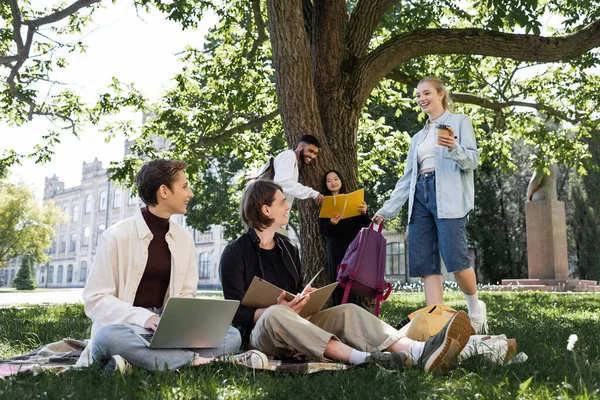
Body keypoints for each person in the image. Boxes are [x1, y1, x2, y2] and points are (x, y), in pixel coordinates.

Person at [220, 180, 473, 372]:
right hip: (260, 335)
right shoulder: (235, 253)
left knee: (347, 310)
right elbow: (233, 313)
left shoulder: (288, 248)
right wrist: (272, 309)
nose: (288, 205)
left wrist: (302, 298)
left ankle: (416, 350)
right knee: (276, 313)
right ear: (266, 210)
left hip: (297, 324)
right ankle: (358, 358)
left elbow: (293, 290)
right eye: (282, 202)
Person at [76, 159, 267, 374]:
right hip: (128, 327)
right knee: (107, 338)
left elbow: (186, 293)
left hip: (169, 330)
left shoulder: (183, 238)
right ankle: (200, 361)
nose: (190, 193)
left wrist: (185, 321)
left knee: (230, 335)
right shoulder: (115, 236)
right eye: (184, 186)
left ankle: (139, 363)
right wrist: (145, 318)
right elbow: (95, 300)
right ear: (164, 191)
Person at [373, 76, 487, 334]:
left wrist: (455, 147)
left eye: (426, 93)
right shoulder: (418, 138)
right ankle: (436, 323)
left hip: (449, 197)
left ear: (440, 94)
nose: (422, 99)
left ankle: (475, 308)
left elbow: (472, 161)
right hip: (420, 198)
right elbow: (407, 179)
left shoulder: (460, 122)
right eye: (418, 96)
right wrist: (387, 210)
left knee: (456, 259)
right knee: (425, 263)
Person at [318, 170, 370, 306]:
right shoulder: (326, 203)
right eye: (329, 181)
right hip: (336, 248)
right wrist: (332, 223)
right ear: (326, 185)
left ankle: (355, 312)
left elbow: (365, 225)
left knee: (354, 281)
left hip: (354, 247)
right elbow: (324, 231)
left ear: (341, 180)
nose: (333, 183)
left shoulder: (353, 200)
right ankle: (339, 313)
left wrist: (364, 212)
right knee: (338, 281)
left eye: (335, 179)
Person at [273, 134, 324, 208]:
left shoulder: (295, 164)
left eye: (315, 153)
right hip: (270, 210)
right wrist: (313, 193)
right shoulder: (289, 155)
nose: (312, 156)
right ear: (300, 147)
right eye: (310, 151)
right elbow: (281, 182)